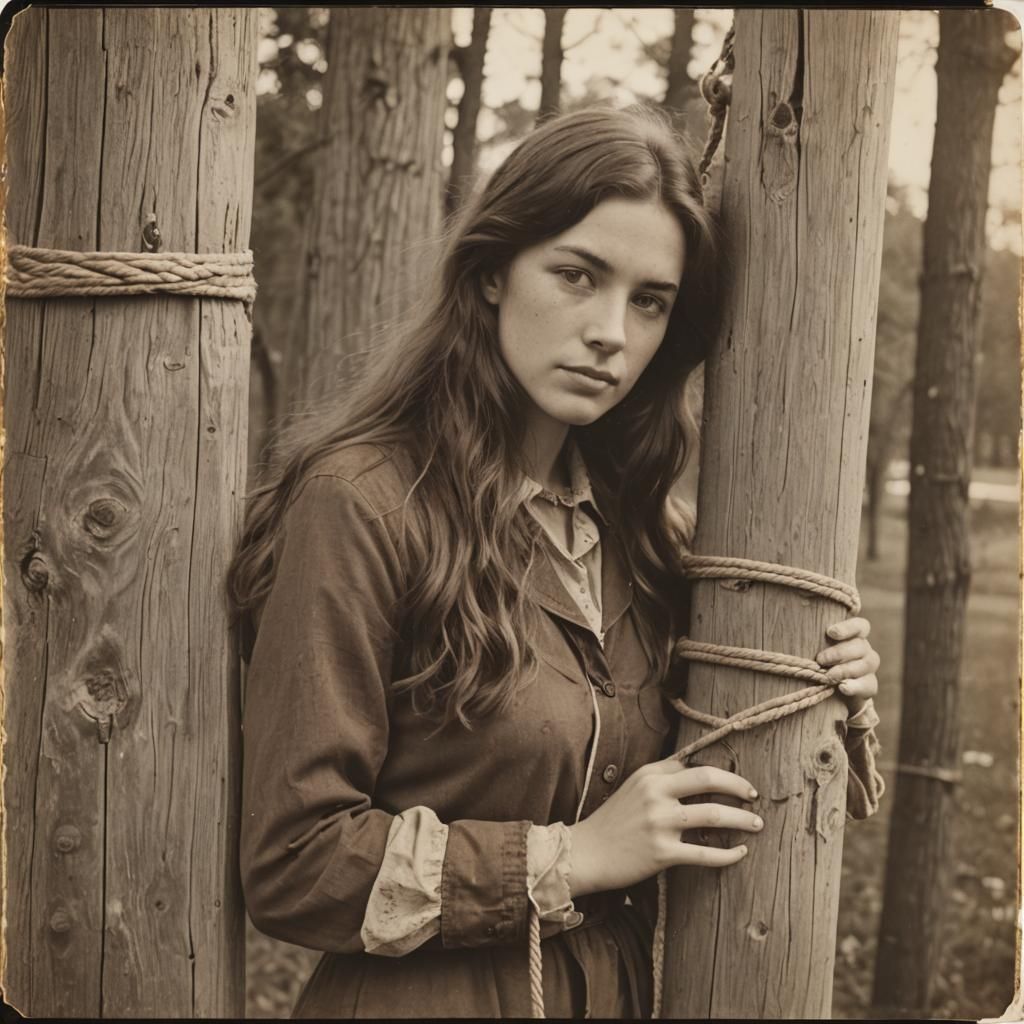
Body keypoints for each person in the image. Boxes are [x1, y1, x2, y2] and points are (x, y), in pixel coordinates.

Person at [228, 104, 883, 1020]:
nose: (612, 331)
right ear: (494, 270)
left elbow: (724, 781)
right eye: (578, 275)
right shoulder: (364, 502)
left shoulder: (649, 537)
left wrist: (824, 682)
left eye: (649, 301)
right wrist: (573, 858)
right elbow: (295, 863)